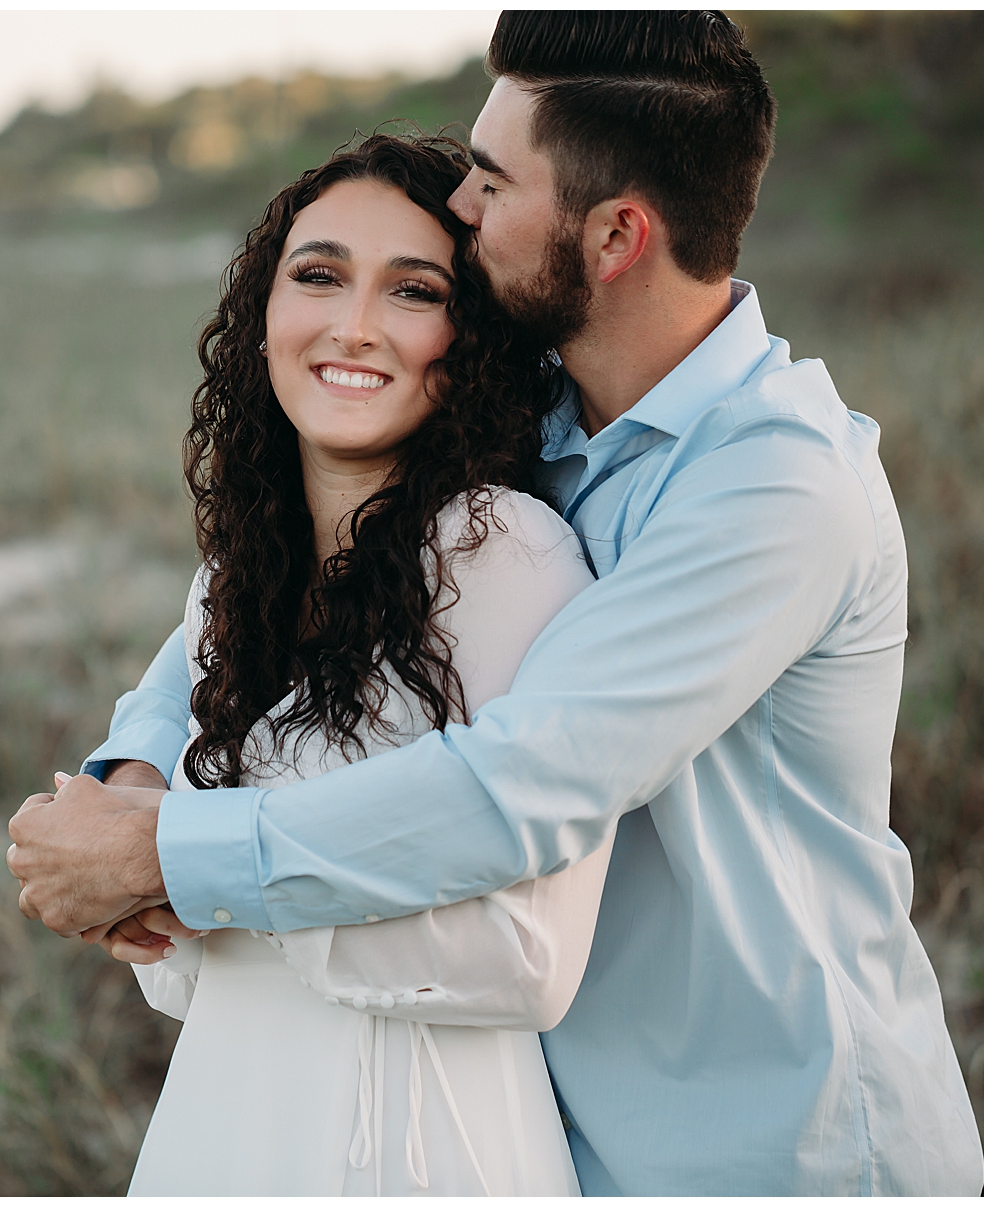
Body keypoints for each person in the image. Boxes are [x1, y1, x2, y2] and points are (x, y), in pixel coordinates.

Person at [8, 11, 984, 1196]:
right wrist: (140, 769)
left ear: (617, 234)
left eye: (492, 180)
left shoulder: (775, 486)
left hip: (778, 1140)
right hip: (564, 1124)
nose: (462, 208)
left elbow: (518, 787)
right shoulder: (541, 403)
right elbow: (270, 591)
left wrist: (169, 855)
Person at [97, 130, 610, 1195]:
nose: (355, 325)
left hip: (418, 1148)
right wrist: (135, 885)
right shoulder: (237, 576)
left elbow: (528, 956)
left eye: (414, 291)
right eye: (318, 274)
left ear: (470, 338)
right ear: (263, 311)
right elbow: (188, 970)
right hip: (226, 1122)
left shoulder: (501, 554)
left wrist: (184, 869)